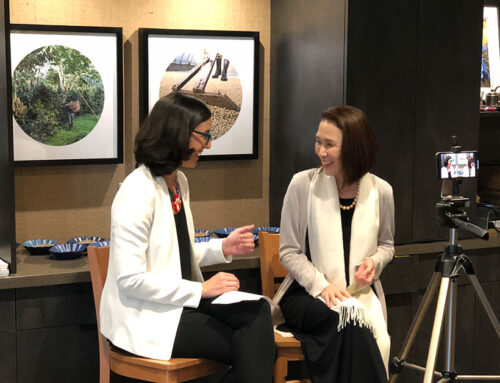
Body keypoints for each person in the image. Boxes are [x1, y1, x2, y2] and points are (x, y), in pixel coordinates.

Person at [100, 93, 275, 382]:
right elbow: (130, 281)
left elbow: (173, 252)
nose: (207, 145)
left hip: (178, 304)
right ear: (177, 134)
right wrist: (201, 290)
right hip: (147, 317)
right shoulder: (136, 192)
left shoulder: (178, 181)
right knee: (256, 347)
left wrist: (223, 247)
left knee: (258, 314)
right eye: (204, 136)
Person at [272, 105, 394, 382]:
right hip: (307, 295)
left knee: (356, 324)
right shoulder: (302, 185)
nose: (320, 152)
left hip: (359, 294)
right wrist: (323, 286)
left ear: (354, 148)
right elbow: (288, 251)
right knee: (350, 321)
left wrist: (374, 262)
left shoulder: (382, 191)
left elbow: (387, 245)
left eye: (330, 145)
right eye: (318, 141)